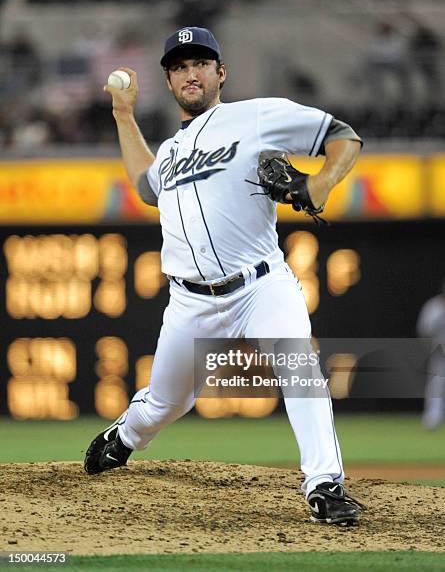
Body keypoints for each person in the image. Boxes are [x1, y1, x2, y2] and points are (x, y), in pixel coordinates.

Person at [84, 27, 363, 526]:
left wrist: (320, 182)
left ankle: (324, 483)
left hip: (260, 285)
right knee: (163, 405)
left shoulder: (254, 115)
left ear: (220, 73)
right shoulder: (169, 152)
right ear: (169, 81)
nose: (191, 72)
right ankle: (124, 436)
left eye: (200, 63)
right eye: (179, 66)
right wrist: (123, 115)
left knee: (298, 364)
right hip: (190, 303)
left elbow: (343, 136)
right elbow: (147, 188)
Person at [416, 279, 445, 429]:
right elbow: (424, 329)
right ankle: (432, 418)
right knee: (436, 386)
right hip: (440, 354)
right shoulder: (434, 307)